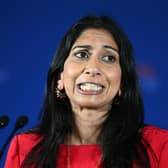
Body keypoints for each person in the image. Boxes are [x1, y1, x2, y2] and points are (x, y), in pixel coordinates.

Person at [4, 15, 168, 168]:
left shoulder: (159, 147)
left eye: (108, 58)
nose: (93, 68)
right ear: (60, 77)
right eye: (82, 54)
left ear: (122, 84)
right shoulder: (25, 148)